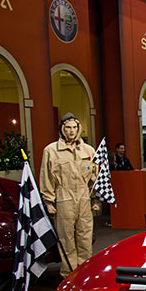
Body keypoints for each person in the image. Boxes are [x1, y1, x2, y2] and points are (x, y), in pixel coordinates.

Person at [40, 113, 99, 278]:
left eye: (74, 127)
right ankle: (69, 274)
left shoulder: (88, 150)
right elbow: (47, 177)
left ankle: (85, 272)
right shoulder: (51, 151)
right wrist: (49, 201)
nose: (72, 131)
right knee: (66, 239)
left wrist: (95, 198)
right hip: (63, 197)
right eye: (68, 127)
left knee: (85, 236)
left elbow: (95, 176)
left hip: (84, 198)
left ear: (79, 129)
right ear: (62, 129)